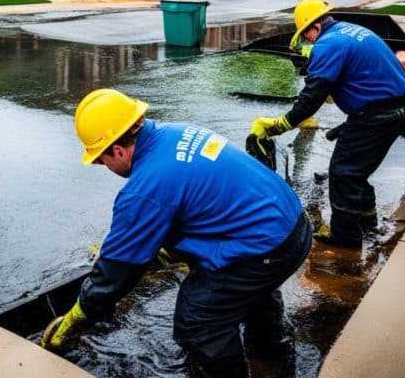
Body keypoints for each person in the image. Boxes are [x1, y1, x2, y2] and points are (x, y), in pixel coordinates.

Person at [41, 89, 311, 378]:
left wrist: (78, 317)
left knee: (198, 317)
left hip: (269, 246)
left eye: (99, 159)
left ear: (117, 151)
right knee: (245, 294)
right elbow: (194, 203)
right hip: (292, 223)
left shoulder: (145, 189)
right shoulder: (175, 132)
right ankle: (272, 353)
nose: (101, 166)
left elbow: (115, 273)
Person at [251, 0, 405, 249]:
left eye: (306, 37)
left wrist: (282, 124)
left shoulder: (328, 44)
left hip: (378, 115)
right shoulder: (349, 30)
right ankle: (367, 220)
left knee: (343, 172)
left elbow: (311, 97)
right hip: (399, 106)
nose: (308, 42)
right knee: (358, 168)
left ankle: (345, 237)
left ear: (313, 27)